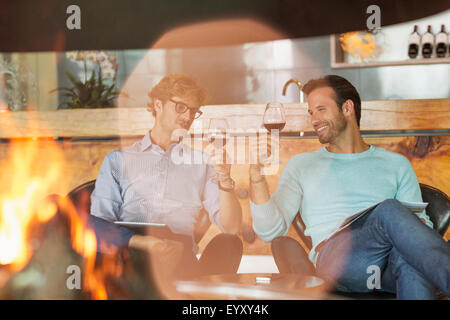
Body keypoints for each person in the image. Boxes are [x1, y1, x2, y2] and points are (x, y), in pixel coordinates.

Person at [249, 75, 450, 299]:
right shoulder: (302, 165)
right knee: (389, 210)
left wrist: (414, 226)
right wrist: (256, 177)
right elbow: (269, 231)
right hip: (339, 265)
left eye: (321, 109)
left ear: (347, 108)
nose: (314, 119)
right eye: (311, 113)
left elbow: (422, 225)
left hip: (383, 271)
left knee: (411, 258)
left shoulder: (396, 164)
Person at [89, 73, 243, 282]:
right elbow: (99, 225)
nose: (187, 117)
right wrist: (145, 243)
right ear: (158, 105)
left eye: (194, 111)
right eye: (181, 107)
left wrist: (225, 180)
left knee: (229, 243)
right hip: (131, 259)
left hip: (180, 262)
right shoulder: (118, 160)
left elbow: (231, 227)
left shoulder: (202, 163)